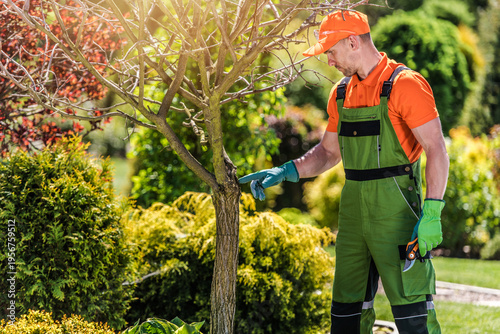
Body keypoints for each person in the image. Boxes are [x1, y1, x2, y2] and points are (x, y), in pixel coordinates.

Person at [239, 9, 449, 334]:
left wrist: (433, 210)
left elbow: (436, 149)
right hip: (352, 220)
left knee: (414, 319)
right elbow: (327, 152)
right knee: (346, 317)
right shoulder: (341, 93)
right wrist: (286, 171)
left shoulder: (405, 85)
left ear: (353, 41)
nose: (329, 61)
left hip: (397, 215)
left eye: (331, 52)